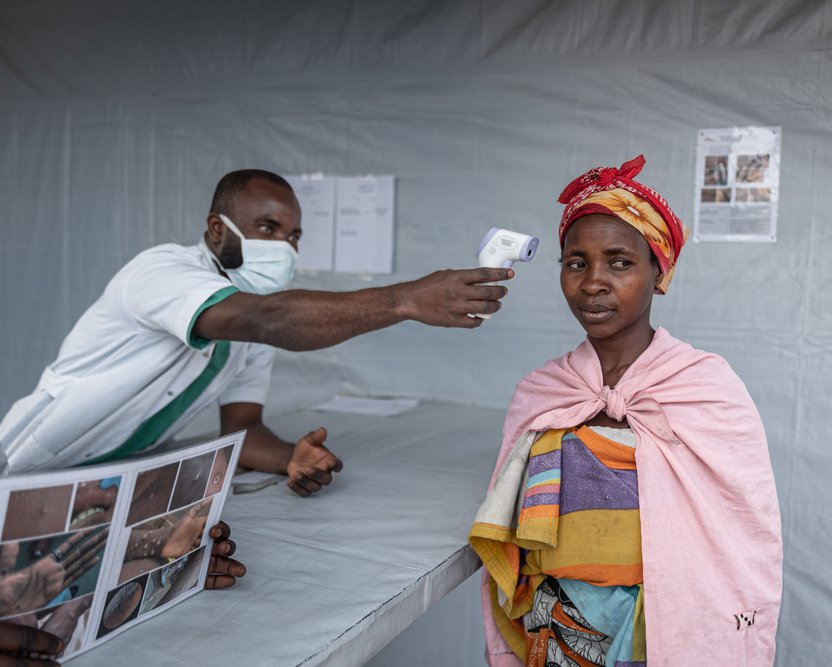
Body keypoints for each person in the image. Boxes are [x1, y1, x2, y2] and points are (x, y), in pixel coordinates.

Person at [0, 169, 512, 495]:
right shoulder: (161, 272)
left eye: (293, 236)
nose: (285, 247)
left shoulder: (250, 327)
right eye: (267, 229)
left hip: (107, 482)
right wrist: (404, 299)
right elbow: (267, 318)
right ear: (218, 229)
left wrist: (290, 456)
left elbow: (241, 430)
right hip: (25, 470)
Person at [469, 156, 782, 666]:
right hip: (559, 632)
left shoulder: (705, 388)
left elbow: (746, 530)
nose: (593, 282)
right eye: (576, 263)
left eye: (620, 262)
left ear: (660, 271)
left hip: (674, 626)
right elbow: (510, 527)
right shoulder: (545, 391)